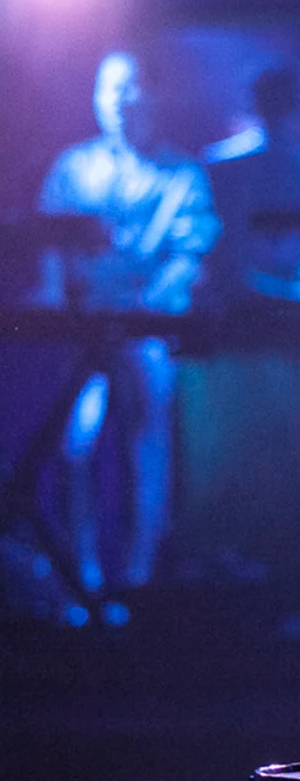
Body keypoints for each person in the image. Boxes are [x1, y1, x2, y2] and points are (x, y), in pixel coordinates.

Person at [36, 51, 219, 602]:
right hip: (85, 331)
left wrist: (150, 304)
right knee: (76, 447)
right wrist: (56, 299)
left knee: (147, 452)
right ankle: (81, 578)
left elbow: (192, 252)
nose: (116, 101)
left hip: (147, 332)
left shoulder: (182, 175)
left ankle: (140, 580)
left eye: (128, 87)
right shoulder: (73, 169)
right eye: (107, 89)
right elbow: (49, 243)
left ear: (152, 96)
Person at [203, 64, 300, 303]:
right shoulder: (221, 165)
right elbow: (214, 240)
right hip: (237, 299)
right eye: (269, 96)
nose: (274, 104)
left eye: (279, 97)